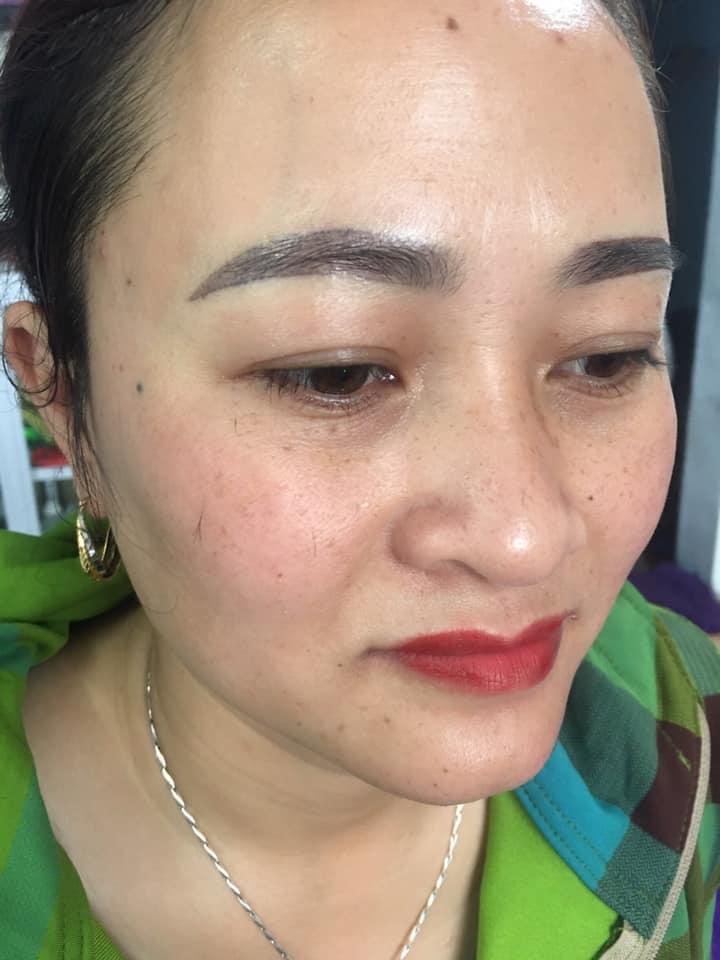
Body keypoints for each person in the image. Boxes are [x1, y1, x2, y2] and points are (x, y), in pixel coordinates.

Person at [0, 0, 718, 957]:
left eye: (606, 356)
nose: (524, 537)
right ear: (62, 397)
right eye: (335, 373)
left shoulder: (685, 721)